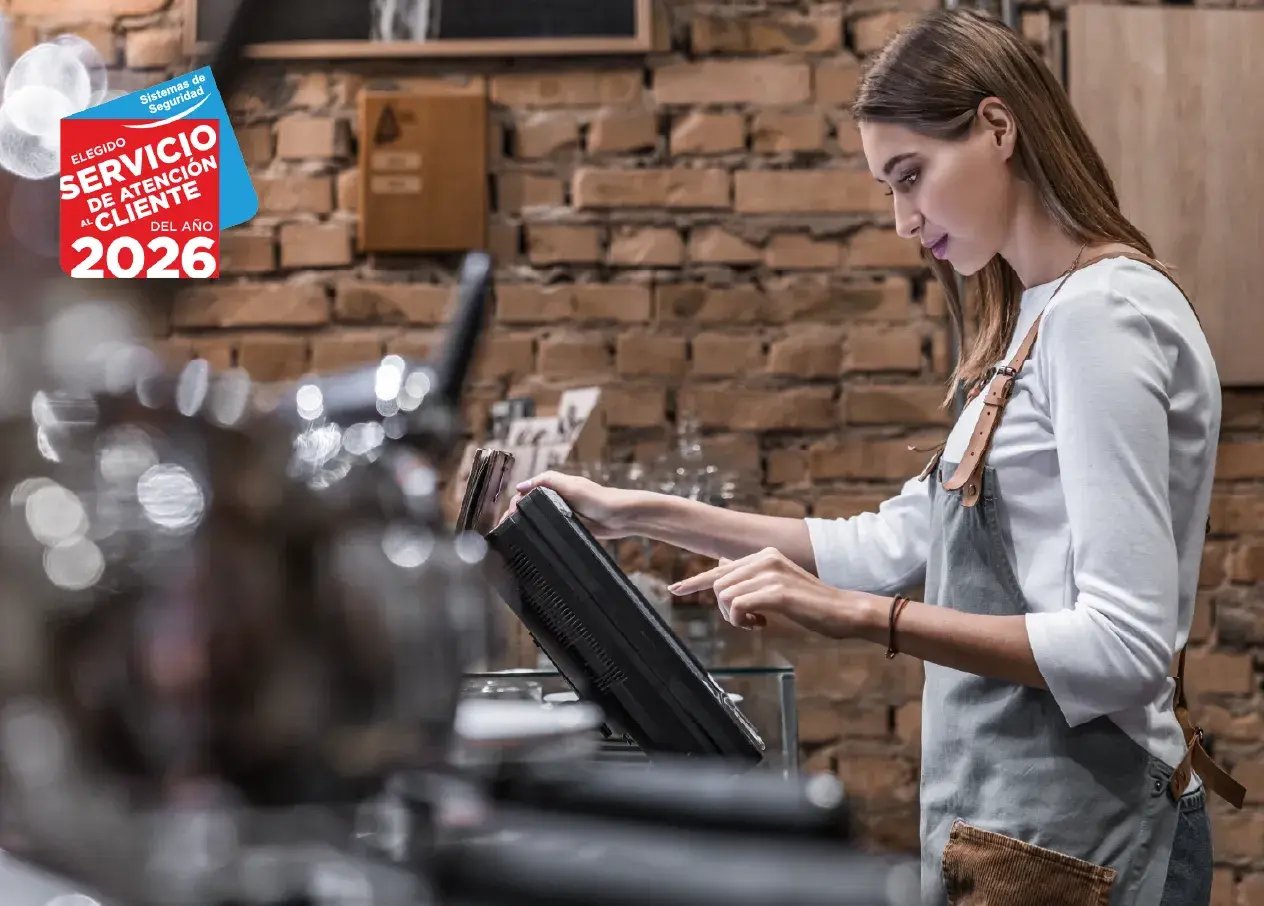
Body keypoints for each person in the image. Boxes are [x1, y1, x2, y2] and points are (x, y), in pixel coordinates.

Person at [505, 9, 1245, 905]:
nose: (903, 220)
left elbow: (1122, 650)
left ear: (997, 128)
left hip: (1093, 836)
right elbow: (895, 543)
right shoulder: (1038, 323)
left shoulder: (1099, 316)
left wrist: (857, 617)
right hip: (1039, 834)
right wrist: (637, 513)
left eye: (911, 176)